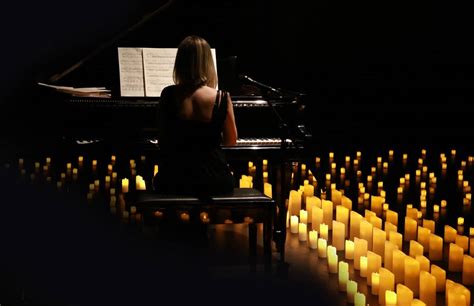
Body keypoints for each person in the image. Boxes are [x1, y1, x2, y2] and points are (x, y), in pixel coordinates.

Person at [152, 35, 238, 197]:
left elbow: (162, 140)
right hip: (215, 179)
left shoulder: (168, 94)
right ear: (208, 63)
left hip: (174, 178)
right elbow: (231, 141)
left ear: (180, 63)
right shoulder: (222, 97)